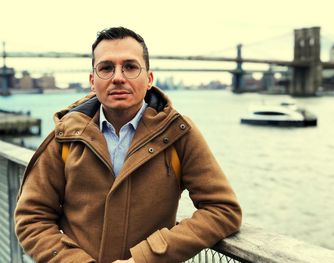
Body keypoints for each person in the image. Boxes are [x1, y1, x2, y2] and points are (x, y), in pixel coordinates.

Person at [15, 27, 242, 263]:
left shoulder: (179, 133)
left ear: (150, 79)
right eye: (106, 68)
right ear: (93, 81)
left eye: (130, 67)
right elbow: (32, 218)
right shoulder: (64, 137)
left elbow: (223, 209)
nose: (118, 77)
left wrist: (143, 259)